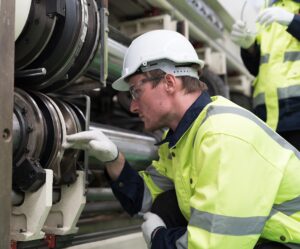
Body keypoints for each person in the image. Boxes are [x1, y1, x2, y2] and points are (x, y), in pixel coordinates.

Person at [64, 29, 300, 249]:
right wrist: (113, 159)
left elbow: (214, 246)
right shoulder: (183, 139)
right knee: (168, 205)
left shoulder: (222, 136)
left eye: (136, 91)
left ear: (168, 82)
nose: (133, 106)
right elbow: (145, 200)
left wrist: (158, 238)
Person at [231, 0, 300, 150]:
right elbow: (257, 68)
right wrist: (248, 46)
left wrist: (292, 21)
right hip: (268, 120)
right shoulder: (266, 9)